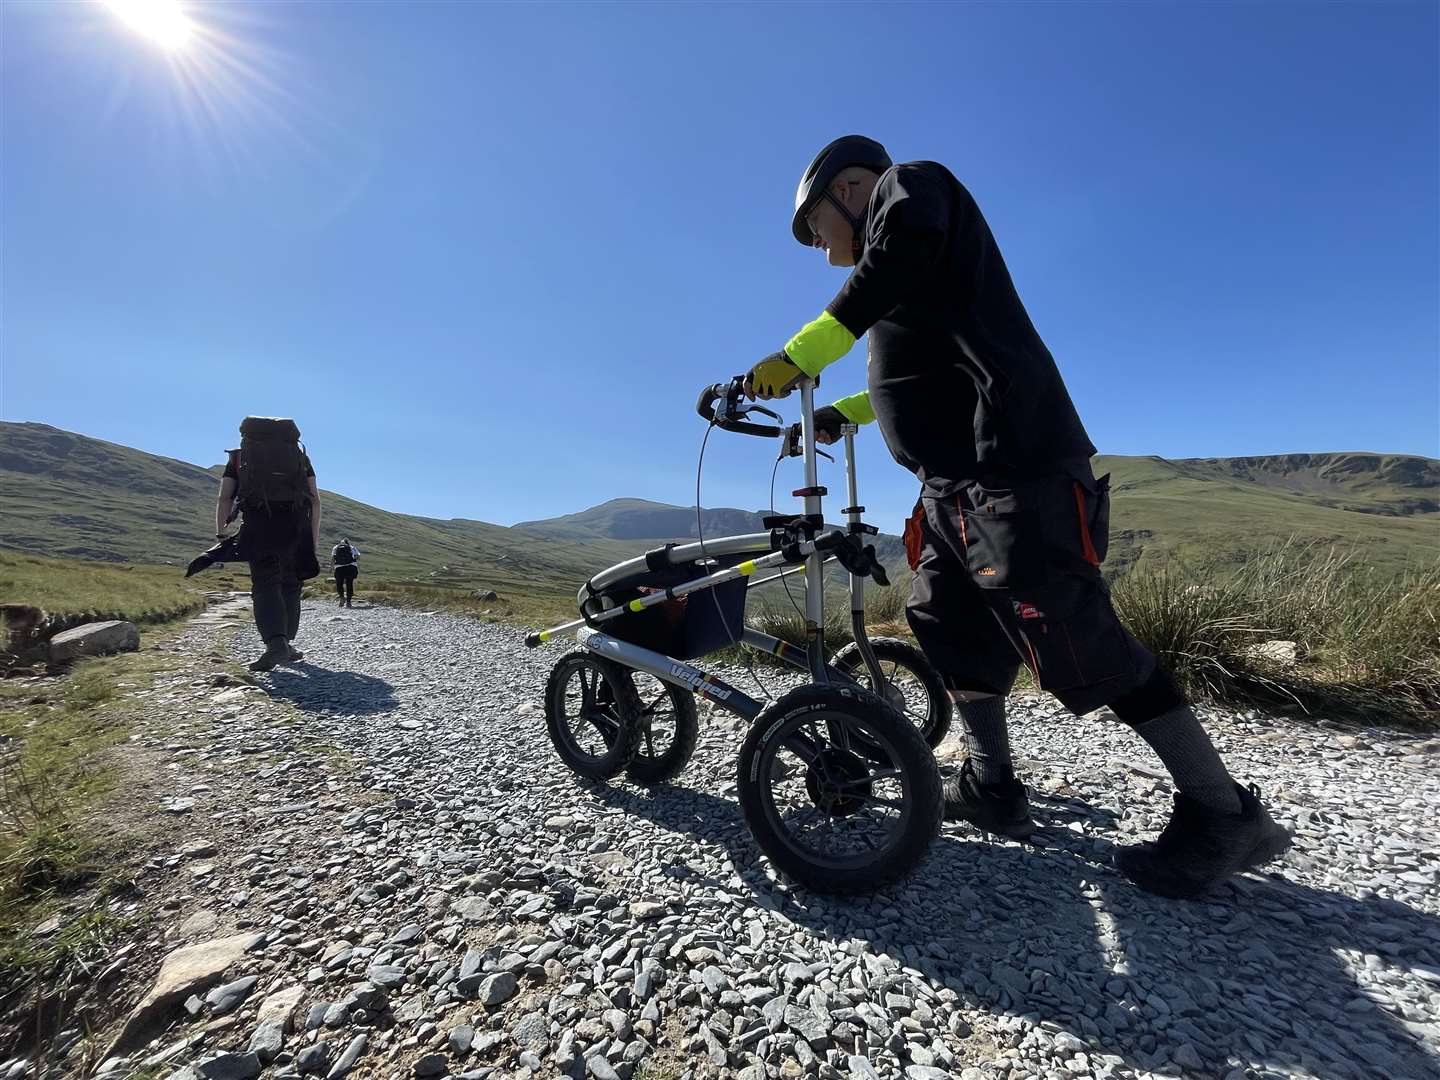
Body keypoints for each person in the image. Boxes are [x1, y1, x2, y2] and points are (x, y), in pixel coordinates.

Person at [744, 135, 1290, 899]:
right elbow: (924, 372)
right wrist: (844, 412)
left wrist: (804, 351)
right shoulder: (904, 282)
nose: (822, 252)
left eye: (815, 230)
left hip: (1015, 470)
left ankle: (1222, 812)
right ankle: (990, 784)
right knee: (946, 624)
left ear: (852, 187)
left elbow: (894, 255)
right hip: (949, 488)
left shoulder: (913, 192)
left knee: (1072, 633)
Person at [215, 417, 321, 671]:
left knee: (264, 584)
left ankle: (276, 646)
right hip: (296, 526)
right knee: (290, 583)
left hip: (259, 524)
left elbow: (225, 497)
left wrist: (221, 533)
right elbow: (315, 501)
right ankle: (287, 643)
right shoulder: (299, 457)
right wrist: (313, 540)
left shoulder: (239, 458)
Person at [332, 537, 359, 607]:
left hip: (339, 568)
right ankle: (348, 602)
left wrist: (332, 568)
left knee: (339, 584)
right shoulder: (352, 547)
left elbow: (333, 558)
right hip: (350, 567)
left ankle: (341, 598)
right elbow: (357, 557)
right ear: (348, 542)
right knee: (349, 584)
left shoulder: (335, 548)